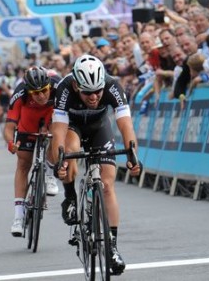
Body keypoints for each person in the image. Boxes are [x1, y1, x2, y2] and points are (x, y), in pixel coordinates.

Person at [49, 55, 142, 275]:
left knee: (108, 185)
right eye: (87, 92)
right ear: (75, 85)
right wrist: (59, 162)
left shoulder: (112, 85)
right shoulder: (64, 89)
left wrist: (133, 155)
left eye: (98, 92)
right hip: (74, 128)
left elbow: (125, 126)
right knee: (69, 151)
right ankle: (70, 196)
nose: (94, 97)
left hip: (100, 128)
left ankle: (112, 248)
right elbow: (58, 133)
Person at [4, 66, 61, 237]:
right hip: (27, 125)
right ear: (29, 91)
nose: (42, 96)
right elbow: (9, 127)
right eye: (36, 94)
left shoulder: (58, 86)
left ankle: (50, 174)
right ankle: (18, 217)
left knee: (55, 135)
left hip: (51, 120)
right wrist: (10, 143)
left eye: (44, 91)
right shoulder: (20, 93)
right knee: (23, 164)